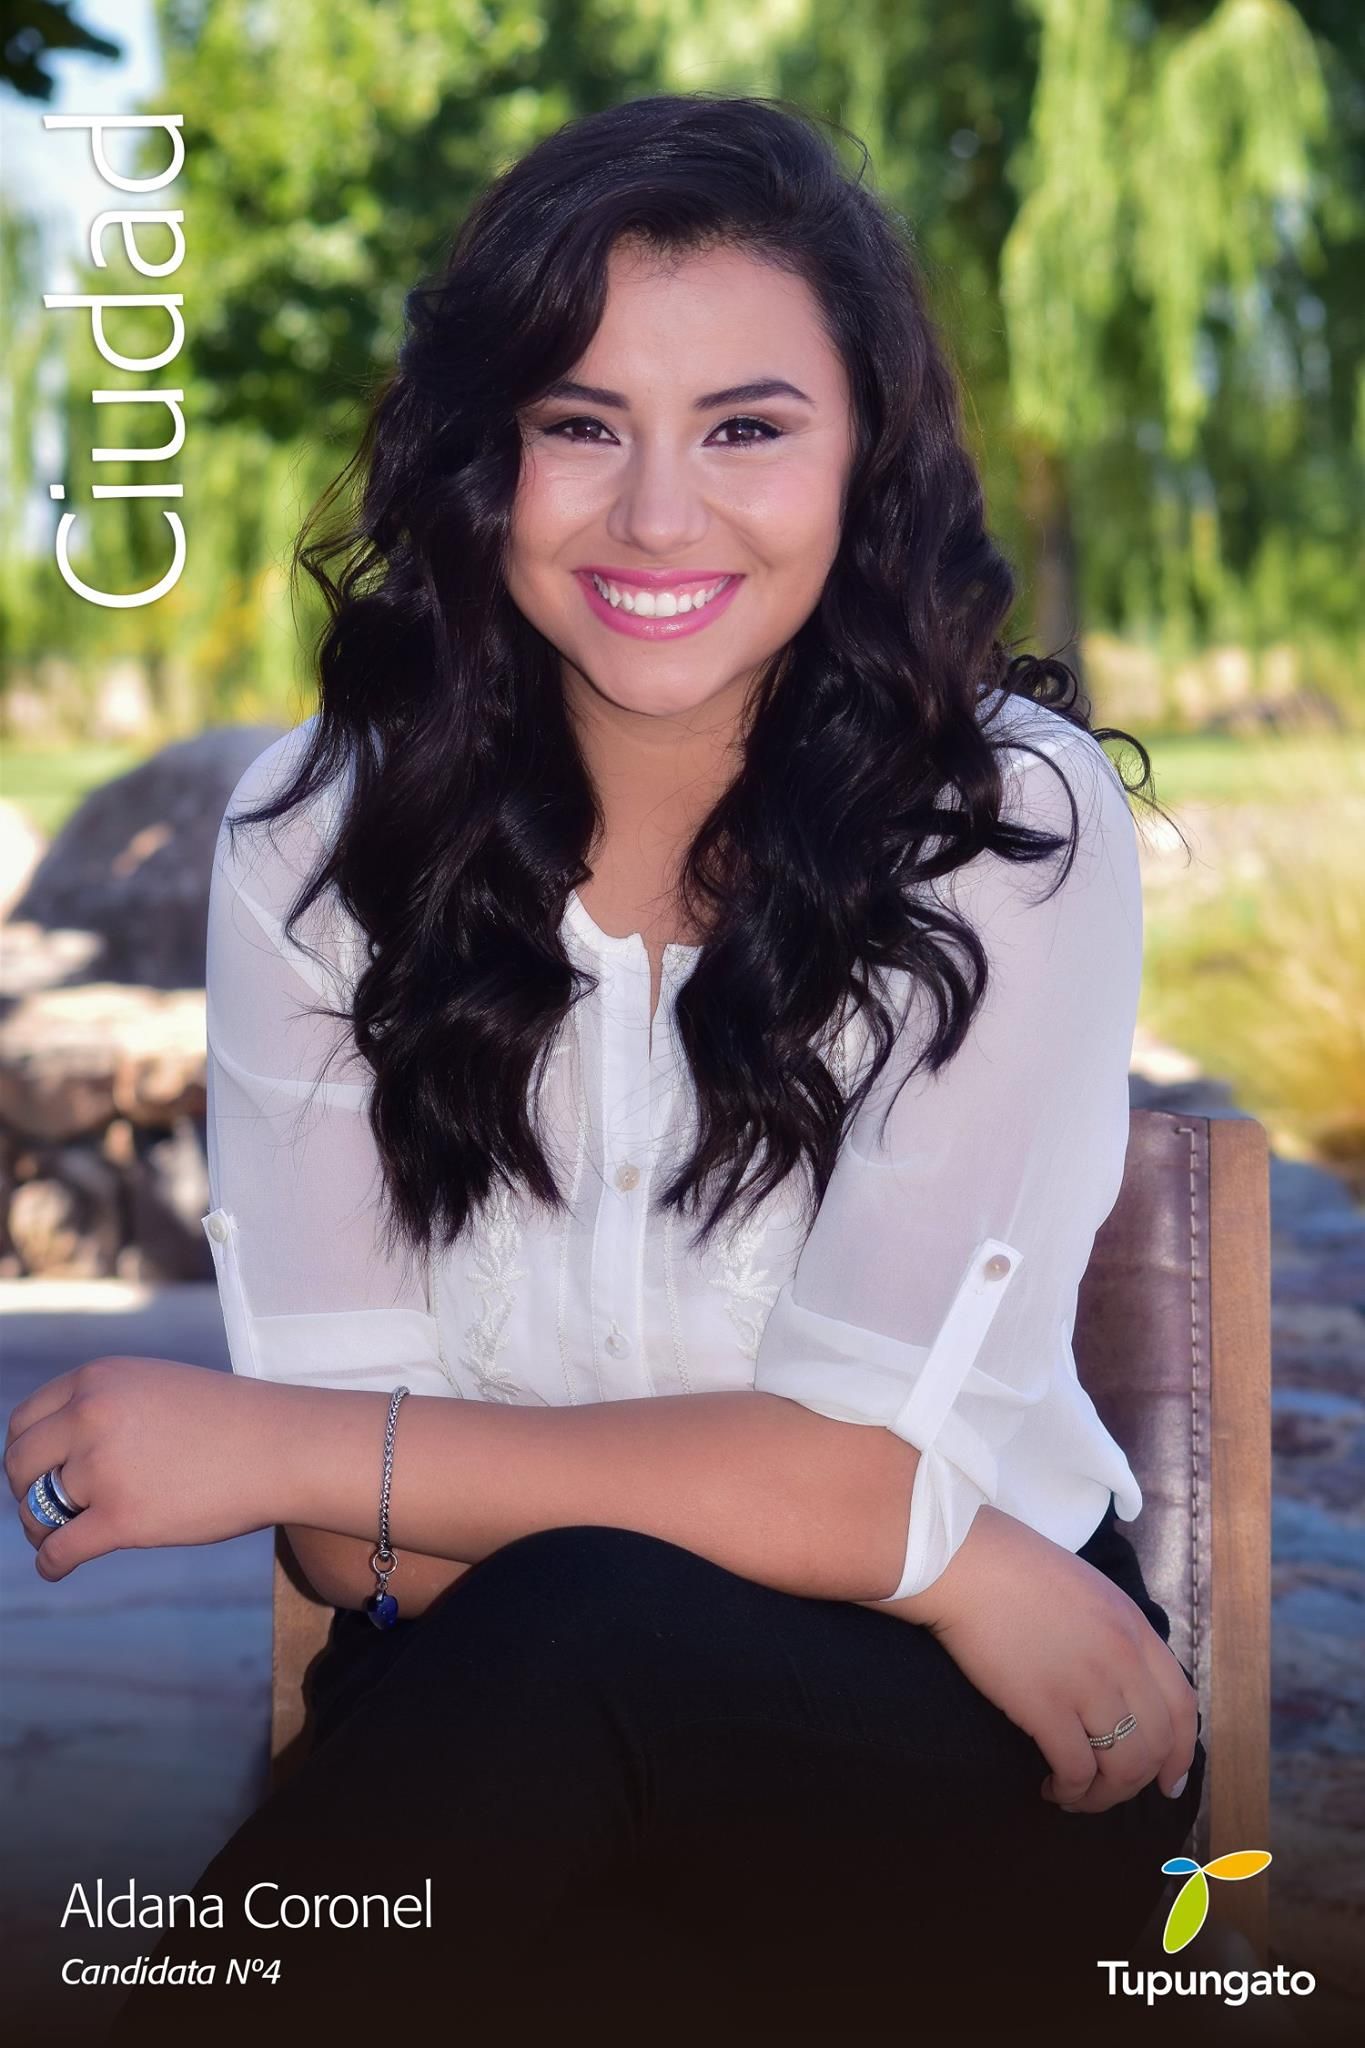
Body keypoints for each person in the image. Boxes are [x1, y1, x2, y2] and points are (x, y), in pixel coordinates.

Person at [8, 92, 1203, 2045]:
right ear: (482, 455)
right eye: (579, 425)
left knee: (567, 1636)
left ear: (864, 458)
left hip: (949, 1741)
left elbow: (355, 1472)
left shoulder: (998, 825)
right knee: (552, 1725)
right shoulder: (317, 840)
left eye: (744, 428)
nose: (656, 516)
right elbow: (357, 1547)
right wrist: (940, 1553)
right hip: (524, 1711)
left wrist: (274, 1441)